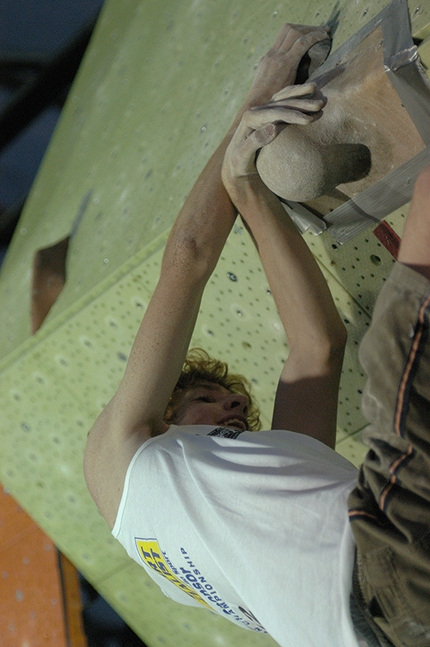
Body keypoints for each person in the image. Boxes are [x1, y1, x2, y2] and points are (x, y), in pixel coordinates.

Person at [84, 23, 430, 647]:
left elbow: (315, 348)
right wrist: (263, 91)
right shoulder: (157, 473)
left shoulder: (159, 486)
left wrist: (247, 189)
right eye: (223, 407)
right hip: (384, 586)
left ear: (165, 414)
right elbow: (190, 259)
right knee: (406, 331)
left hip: (385, 614)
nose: (237, 405)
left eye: (218, 403)